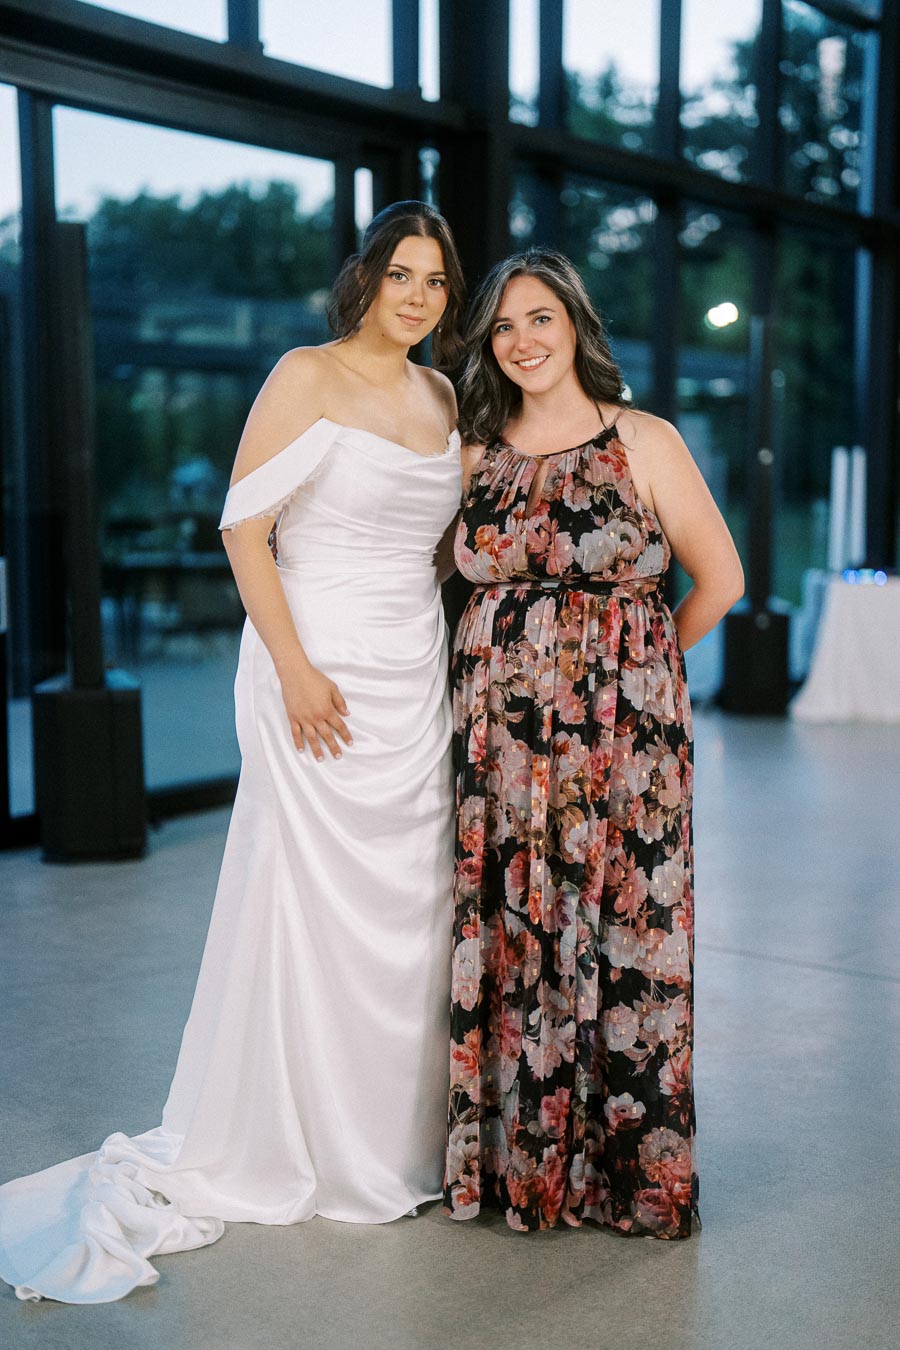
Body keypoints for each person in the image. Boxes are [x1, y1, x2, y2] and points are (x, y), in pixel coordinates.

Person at [0, 200, 466, 1303]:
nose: (417, 295)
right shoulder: (304, 374)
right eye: (401, 273)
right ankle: (304, 1135)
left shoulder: (444, 394)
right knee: (311, 895)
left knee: (414, 900)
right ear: (366, 279)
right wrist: (297, 666)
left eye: (437, 282)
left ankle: (401, 1139)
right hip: (314, 660)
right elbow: (244, 527)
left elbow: (443, 544)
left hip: (414, 668)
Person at [442, 248, 744, 1237]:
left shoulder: (642, 438)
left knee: (622, 944)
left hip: (625, 749)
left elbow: (720, 580)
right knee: (519, 943)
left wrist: (637, 679)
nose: (522, 341)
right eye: (504, 327)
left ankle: (627, 1179)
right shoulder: (475, 448)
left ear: (575, 324)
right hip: (500, 760)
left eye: (540, 319)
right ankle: (522, 1172)